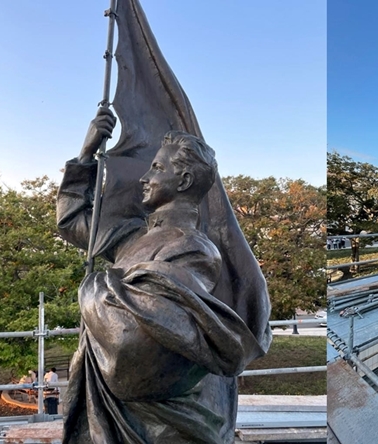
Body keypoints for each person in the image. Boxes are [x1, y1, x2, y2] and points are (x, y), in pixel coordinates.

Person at [57, 108, 265, 443]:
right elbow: (73, 224)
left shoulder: (193, 249)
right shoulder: (133, 237)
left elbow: (134, 343)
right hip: (117, 419)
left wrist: (93, 287)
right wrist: (86, 155)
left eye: (156, 168)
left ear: (183, 181)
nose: (144, 178)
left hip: (159, 429)